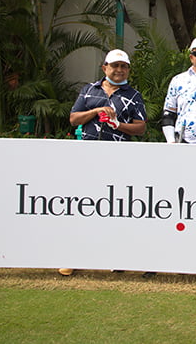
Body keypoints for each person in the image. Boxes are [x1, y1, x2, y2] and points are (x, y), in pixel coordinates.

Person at [63, 48, 147, 276]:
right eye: (114, 66)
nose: (119, 70)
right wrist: (97, 110)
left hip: (120, 158)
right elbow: (73, 119)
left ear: (128, 69)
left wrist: (118, 125)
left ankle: (116, 256)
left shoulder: (134, 95)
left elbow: (141, 128)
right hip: (88, 157)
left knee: (117, 207)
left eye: (123, 66)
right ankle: (73, 257)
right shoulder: (89, 90)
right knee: (83, 206)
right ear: (105, 68)